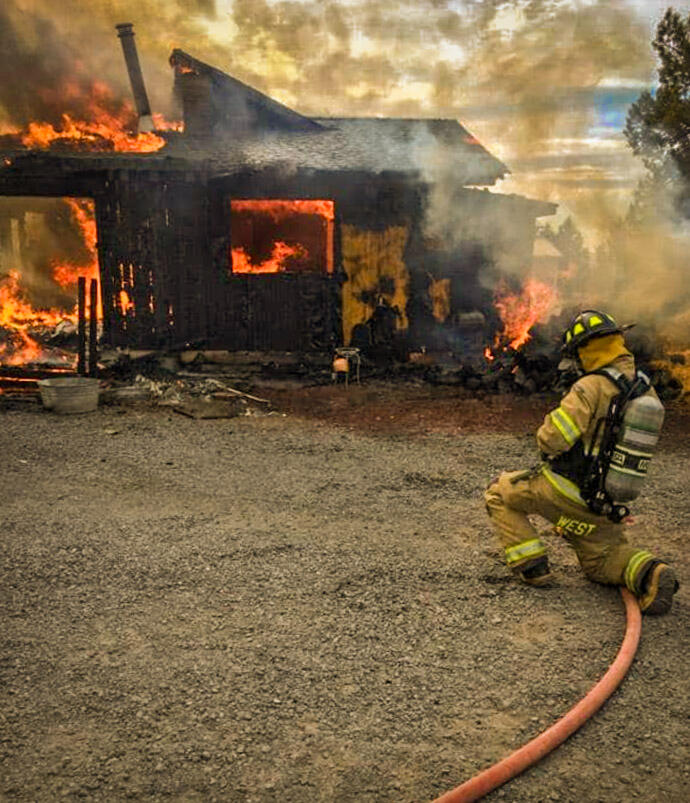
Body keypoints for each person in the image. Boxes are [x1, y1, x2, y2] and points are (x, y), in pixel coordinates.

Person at [484, 309, 679, 614]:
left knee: (499, 491)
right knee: (600, 564)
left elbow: (551, 439)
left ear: (587, 349)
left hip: (565, 491)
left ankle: (532, 566)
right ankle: (649, 573)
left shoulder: (590, 386)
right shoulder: (645, 388)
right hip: (605, 506)